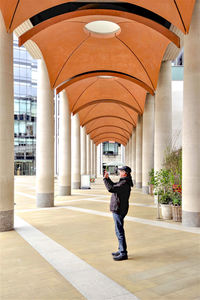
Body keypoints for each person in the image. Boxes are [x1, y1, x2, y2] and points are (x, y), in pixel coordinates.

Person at [103, 166, 133, 261]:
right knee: (118, 230)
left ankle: (123, 253)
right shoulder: (123, 181)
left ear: (125, 173)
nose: (119, 172)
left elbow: (111, 189)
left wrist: (104, 179)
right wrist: (108, 179)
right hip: (119, 208)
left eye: (121, 171)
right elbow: (114, 186)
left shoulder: (124, 183)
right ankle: (120, 250)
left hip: (119, 209)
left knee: (119, 231)